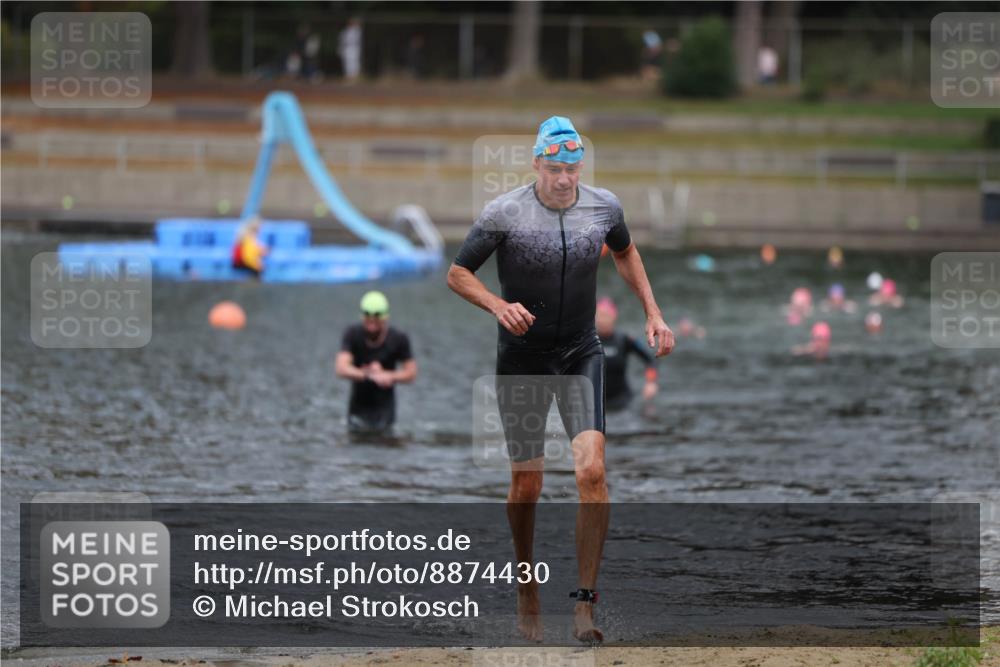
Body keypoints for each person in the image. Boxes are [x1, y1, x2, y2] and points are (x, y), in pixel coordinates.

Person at [447, 116, 674, 644]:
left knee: (592, 471)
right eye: (555, 169)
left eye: (573, 169)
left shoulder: (603, 206)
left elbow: (625, 251)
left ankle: (584, 605)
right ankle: (527, 588)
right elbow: (458, 273)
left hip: (579, 351)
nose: (565, 179)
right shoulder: (504, 212)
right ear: (536, 165)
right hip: (523, 356)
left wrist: (653, 312)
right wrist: (497, 306)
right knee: (528, 482)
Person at [335, 291, 417, 433]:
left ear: (385, 317)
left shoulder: (398, 338)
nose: (371, 320)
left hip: (384, 407)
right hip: (358, 406)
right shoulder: (352, 334)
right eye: (367, 315)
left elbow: (411, 373)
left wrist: (387, 375)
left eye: (377, 316)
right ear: (362, 315)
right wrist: (369, 374)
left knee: (384, 440)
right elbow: (341, 368)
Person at [596, 297, 657, 412]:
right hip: (595, 402)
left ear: (614, 317)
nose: (602, 320)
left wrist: (650, 382)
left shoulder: (624, 339)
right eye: (599, 315)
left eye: (605, 316)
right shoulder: (588, 341)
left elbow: (650, 360)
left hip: (622, 401)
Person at [339, 17, 363, 82]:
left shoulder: (357, 31)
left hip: (354, 48)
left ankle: (355, 76)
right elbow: (342, 40)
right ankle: (349, 76)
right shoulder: (345, 31)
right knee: (348, 63)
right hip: (347, 48)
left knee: (355, 63)